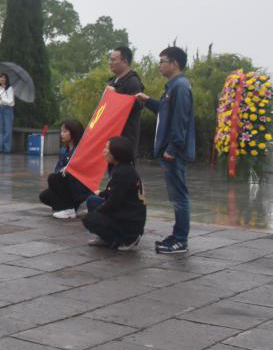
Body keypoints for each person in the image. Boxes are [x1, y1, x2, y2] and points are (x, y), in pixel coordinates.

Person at [137, 46, 195, 255]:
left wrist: (172, 148)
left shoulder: (180, 87)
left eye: (163, 61)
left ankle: (180, 240)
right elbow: (165, 111)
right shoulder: (173, 87)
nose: (160, 65)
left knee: (179, 197)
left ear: (175, 63)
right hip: (171, 151)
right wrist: (148, 102)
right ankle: (177, 235)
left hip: (174, 153)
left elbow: (181, 121)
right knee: (176, 196)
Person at [81, 136, 146, 250]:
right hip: (125, 211)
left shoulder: (123, 172)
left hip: (129, 221)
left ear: (116, 152)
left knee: (89, 219)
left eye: (107, 148)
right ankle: (105, 237)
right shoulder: (122, 167)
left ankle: (123, 241)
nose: (104, 151)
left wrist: (96, 212)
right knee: (92, 200)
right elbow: (113, 192)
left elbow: (113, 202)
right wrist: (101, 194)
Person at [38, 119, 92, 218]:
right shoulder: (63, 150)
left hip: (79, 187)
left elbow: (84, 171)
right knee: (44, 196)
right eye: (61, 131)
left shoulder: (81, 150)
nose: (61, 134)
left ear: (74, 132)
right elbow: (57, 169)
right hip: (68, 186)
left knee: (53, 178)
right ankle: (72, 206)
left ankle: (68, 209)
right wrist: (63, 170)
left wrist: (69, 170)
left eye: (65, 131)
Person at [107, 46, 145, 151]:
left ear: (125, 61)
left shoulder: (133, 82)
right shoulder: (112, 81)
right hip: (110, 136)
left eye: (113, 60)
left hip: (125, 139)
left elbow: (137, 106)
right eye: (110, 59)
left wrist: (115, 96)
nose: (110, 63)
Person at [0, 72, 15, 153]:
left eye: (4, 78)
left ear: (6, 79)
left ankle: (6, 149)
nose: (2, 79)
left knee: (7, 130)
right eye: (1, 77)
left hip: (8, 110)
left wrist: (2, 100)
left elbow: (11, 102)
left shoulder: (9, 89)